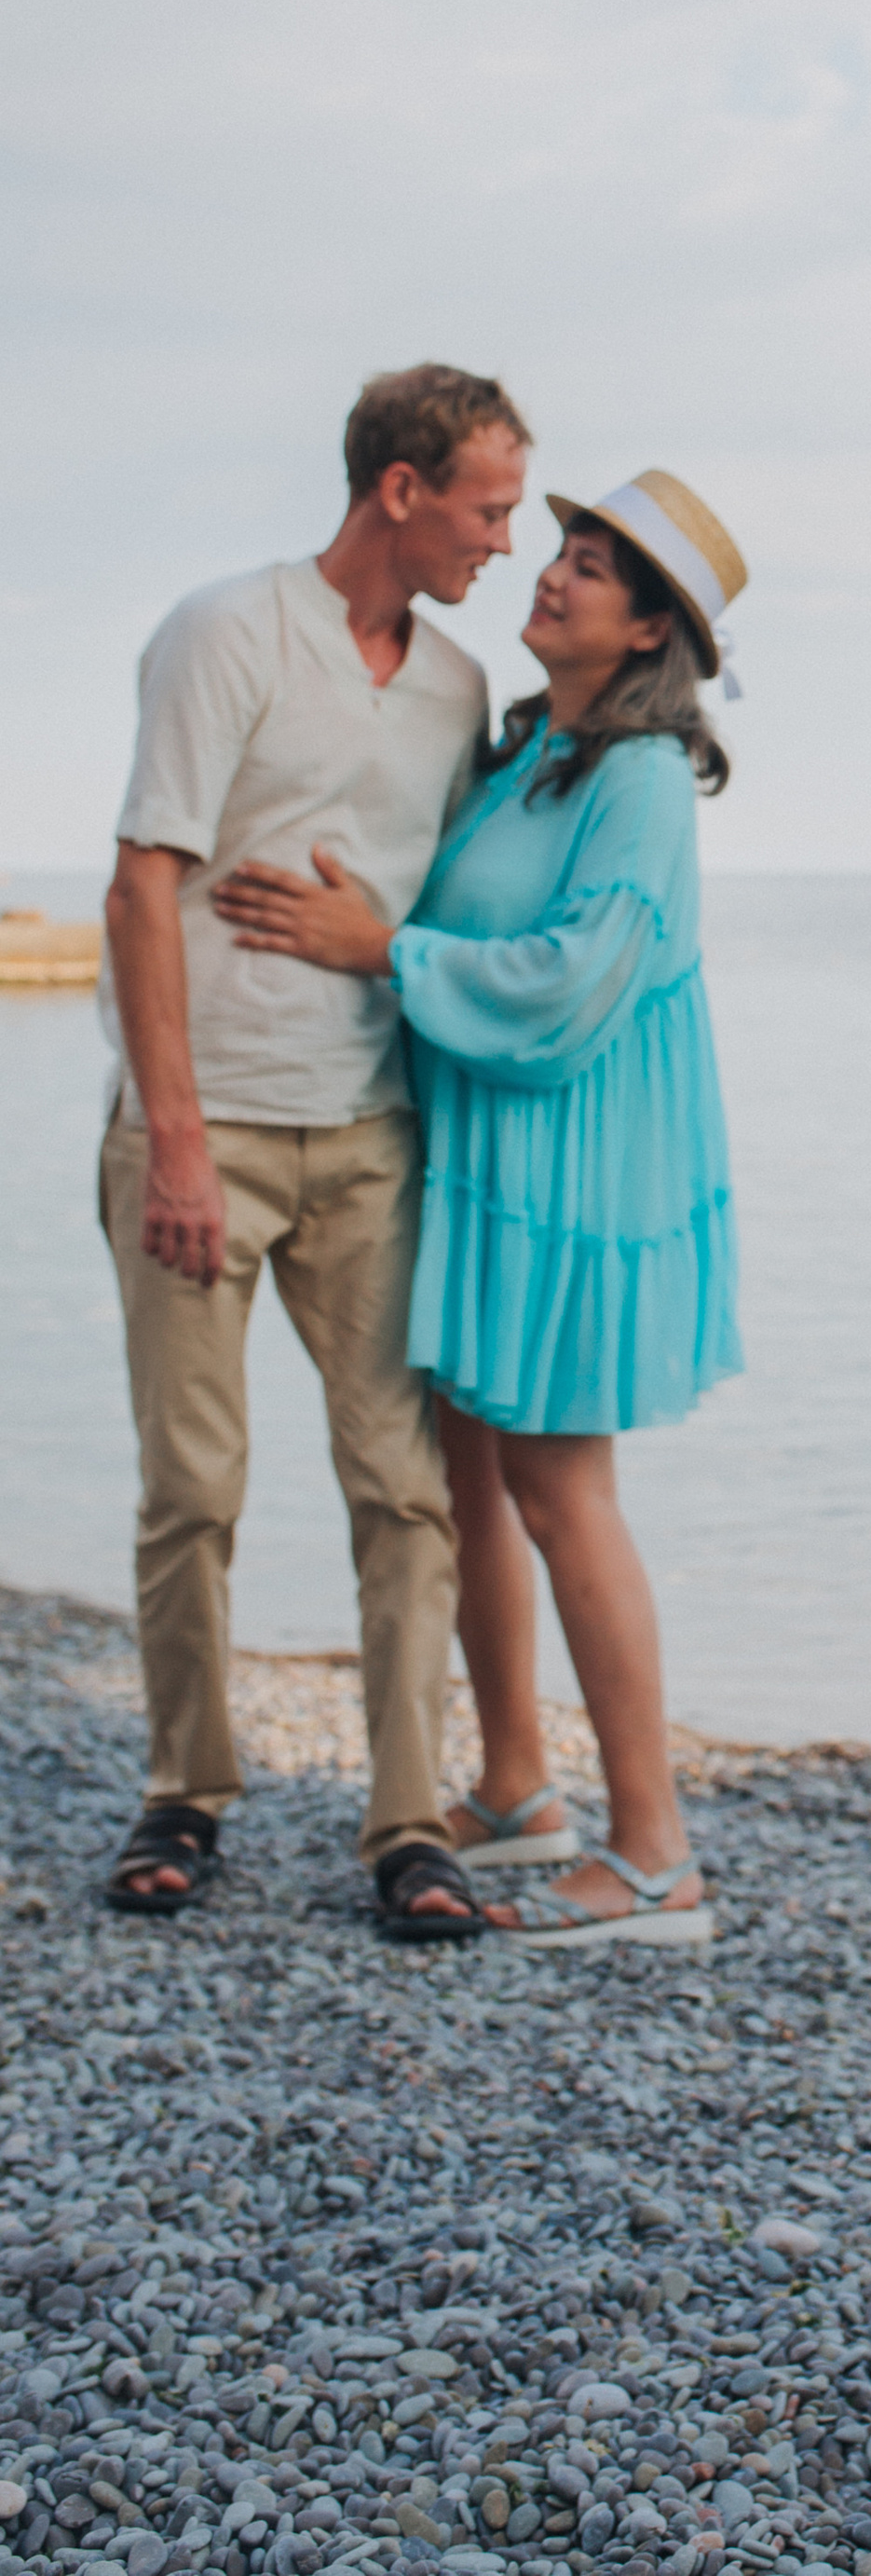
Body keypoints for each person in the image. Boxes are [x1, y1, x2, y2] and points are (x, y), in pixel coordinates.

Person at [215, 471, 745, 1950]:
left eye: (592, 565)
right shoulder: (532, 756)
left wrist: (378, 949)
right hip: (485, 1158)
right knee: (468, 1470)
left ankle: (657, 1858)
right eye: (560, 548)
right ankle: (518, 1787)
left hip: (575, 1171)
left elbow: (576, 982)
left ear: (649, 630)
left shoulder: (641, 779)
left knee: (564, 1491)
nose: (552, 573)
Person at [97, 363, 532, 1936]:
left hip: (367, 1132)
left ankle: (407, 1823)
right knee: (193, 1484)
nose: (504, 539)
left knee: (403, 1489)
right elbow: (142, 886)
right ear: (400, 489)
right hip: (199, 1126)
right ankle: (184, 1793)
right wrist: (178, 1142)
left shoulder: (458, 688)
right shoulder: (228, 631)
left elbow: (442, 903)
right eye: (487, 507)